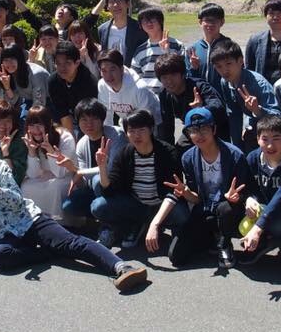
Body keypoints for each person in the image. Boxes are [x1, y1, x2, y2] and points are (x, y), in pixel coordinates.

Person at [0, 125, 147, 292]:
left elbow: (18, 201)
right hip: (3, 233)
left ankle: (121, 267)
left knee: (72, 243)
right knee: (0, 257)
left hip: (28, 218)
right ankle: (51, 251)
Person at [146, 107, 249, 268]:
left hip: (230, 209)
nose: (199, 135)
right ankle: (211, 237)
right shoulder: (188, 158)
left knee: (225, 209)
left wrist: (237, 197)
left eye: (204, 129)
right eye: (193, 130)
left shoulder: (235, 155)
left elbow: (246, 191)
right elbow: (197, 199)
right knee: (176, 257)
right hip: (205, 210)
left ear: (214, 129)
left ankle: (225, 243)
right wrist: (186, 193)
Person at [217, 115, 281, 267]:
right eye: (265, 139)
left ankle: (278, 241)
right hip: (260, 209)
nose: (270, 145)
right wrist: (247, 199)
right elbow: (245, 187)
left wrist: (257, 228)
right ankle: (228, 243)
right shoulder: (253, 158)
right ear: (258, 139)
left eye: (276, 138)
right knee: (225, 209)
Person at [91, 109, 184, 249]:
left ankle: (153, 224)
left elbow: (174, 191)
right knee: (98, 206)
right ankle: (134, 224)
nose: (136, 135)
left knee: (182, 214)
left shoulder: (167, 152)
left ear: (151, 129)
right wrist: (102, 167)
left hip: (161, 204)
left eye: (141, 130)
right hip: (136, 204)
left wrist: (155, 224)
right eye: (131, 131)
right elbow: (109, 190)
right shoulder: (125, 153)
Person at [59, 98, 127, 226]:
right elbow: (86, 181)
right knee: (69, 205)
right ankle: (102, 215)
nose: (89, 124)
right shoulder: (82, 143)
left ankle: (113, 225)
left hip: (119, 189)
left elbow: (112, 169)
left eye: (94, 119)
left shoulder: (116, 135)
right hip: (97, 190)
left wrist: (80, 172)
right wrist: (73, 169)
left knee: (97, 180)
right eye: (84, 119)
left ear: (102, 119)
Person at [209, 39, 281, 150]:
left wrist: (257, 110)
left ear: (240, 61)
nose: (224, 70)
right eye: (219, 66)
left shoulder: (258, 84)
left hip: (274, 133)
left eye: (228, 64)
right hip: (253, 127)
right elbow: (234, 114)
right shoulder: (225, 82)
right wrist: (236, 148)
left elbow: (278, 117)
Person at [155, 52, 227, 153]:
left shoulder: (199, 86)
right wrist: (167, 152)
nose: (169, 81)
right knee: (177, 153)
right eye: (164, 77)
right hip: (192, 130)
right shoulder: (164, 93)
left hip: (214, 130)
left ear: (183, 74)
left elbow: (219, 107)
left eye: (173, 75)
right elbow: (167, 126)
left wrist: (202, 110)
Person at [19, 105, 77, 225]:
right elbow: (33, 174)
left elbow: (60, 173)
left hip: (66, 176)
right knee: (26, 186)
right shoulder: (29, 139)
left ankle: (59, 223)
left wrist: (50, 151)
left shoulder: (65, 137)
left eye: (40, 125)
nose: (36, 130)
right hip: (44, 176)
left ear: (48, 124)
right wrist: (32, 152)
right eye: (32, 125)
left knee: (55, 187)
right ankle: (32, 221)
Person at [96, 49, 161, 130]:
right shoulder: (102, 85)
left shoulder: (139, 88)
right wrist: (107, 134)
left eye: (112, 70)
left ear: (122, 69)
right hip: (128, 124)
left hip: (155, 123)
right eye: (104, 71)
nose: (108, 76)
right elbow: (106, 116)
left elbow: (146, 121)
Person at [47, 41, 99, 134]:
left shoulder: (89, 82)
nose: (62, 68)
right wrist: (70, 139)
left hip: (89, 118)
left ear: (77, 63)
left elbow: (89, 116)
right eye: (58, 63)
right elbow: (63, 114)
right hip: (67, 117)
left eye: (67, 63)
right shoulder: (53, 81)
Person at [129, 7, 183, 95]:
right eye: (145, 21)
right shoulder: (140, 50)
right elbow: (135, 76)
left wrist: (167, 52)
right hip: (148, 97)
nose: (149, 23)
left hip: (172, 97)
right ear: (141, 25)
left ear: (160, 21)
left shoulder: (177, 45)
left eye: (152, 19)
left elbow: (183, 71)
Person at [185, 3, 230, 94]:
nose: (210, 24)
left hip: (224, 98)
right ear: (200, 22)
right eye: (207, 20)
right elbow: (187, 79)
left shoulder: (229, 46)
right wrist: (193, 68)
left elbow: (237, 75)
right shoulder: (192, 49)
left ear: (222, 22)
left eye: (214, 20)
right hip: (201, 98)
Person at [97, 0, 147, 67]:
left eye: (119, 1)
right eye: (112, 2)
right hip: (109, 72)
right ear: (107, 7)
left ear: (128, 4)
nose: (115, 5)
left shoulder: (140, 28)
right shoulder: (102, 29)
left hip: (133, 72)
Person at [0, 44, 49, 120]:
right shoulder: (8, 75)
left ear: (20, 59)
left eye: (12, 59)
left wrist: (29, 122)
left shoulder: (36, 74)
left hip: (48, 104)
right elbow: (14, 101)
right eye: (5, 60)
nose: (9, 63)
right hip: (29, 103)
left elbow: (39, 105)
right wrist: (7, 87)